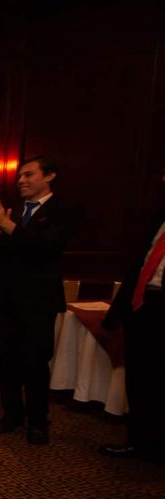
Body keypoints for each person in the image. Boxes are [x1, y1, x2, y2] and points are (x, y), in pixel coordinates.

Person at [0, 155, 74, 445]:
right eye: (20, 176)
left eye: (29, 175)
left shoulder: (62, 210)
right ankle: (12, 413)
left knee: (33, 363)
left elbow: (47, 248)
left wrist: (8, 227)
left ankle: (38, 421)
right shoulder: (14, 212)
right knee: (5, 361)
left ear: (50, 176)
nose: (21, 181)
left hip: (37, 304)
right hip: (4, 301)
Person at [99, 167, 165, 462]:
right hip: (144, 307)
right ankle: (140, 442)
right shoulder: (158, 220)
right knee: (140, 379)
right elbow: (139, 267)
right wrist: (117, 314)